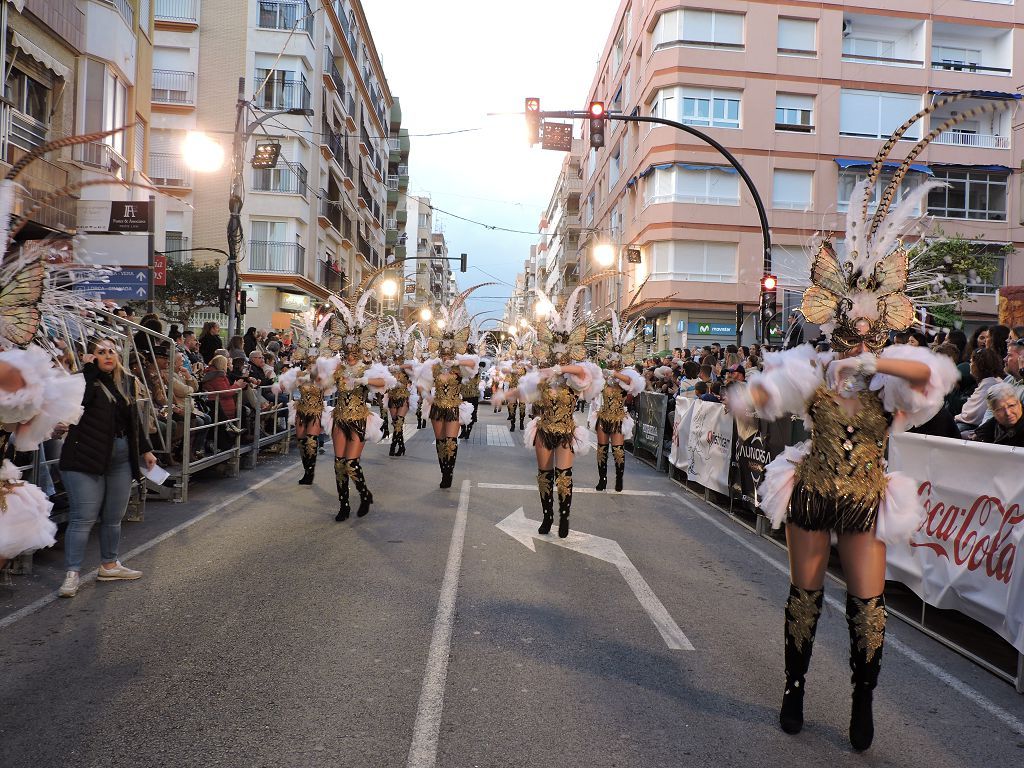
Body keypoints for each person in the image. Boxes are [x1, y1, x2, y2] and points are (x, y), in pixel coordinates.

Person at [731, 100, 974, 751]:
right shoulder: (812, 364)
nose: (858, 330)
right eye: (852, 322)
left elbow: (935, 377)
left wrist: (874, 361)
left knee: (868, 607)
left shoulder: (889, 374)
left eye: (869, 323)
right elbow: (773, 388)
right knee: (804, 595)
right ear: (836, 314)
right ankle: (794, 689)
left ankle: (862, 699)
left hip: (867, 494)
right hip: (813, 488)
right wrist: (751, 394)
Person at [58, 339, 159, 598]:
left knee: (114, 516)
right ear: (91, 356)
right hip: (84, 458)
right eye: (101, 352)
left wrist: (146, 450)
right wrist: (90, 371)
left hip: (121, 458)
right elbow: (79, 405)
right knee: (83, 517)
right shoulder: (81, 380)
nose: (107, 356)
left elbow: (133, 419)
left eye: (111, 351)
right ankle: (72, 573)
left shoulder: (125, 381)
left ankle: (110, 565)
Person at [500, 286, 602, 538]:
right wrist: (505, 395)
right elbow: (525, 390)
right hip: (544, 430)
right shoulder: (542, 378)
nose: (557, 354)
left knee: (563, 476)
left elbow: (584, 372)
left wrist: (559, 370)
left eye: (562, 351)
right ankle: (547, 517)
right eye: (553, 350)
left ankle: (564, 517)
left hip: (567, 430)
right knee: (544, 476)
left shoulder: (573, 377)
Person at [319, 294, 394, 520]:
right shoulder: (338, 368)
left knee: (351, 463)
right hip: (339, 418)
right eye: (347, 352)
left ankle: (364, 494)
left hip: (359, 419)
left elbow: (385, 382)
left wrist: (363, 380)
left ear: (360, 350)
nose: (350, 356)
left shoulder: (366, 368)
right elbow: (325, 386)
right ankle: (344, 506)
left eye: (354, 352)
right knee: (339, 464)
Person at [416, 297, 483, 488]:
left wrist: (457, 362)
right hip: (437, 406)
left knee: (451, 441)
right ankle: (443, 470)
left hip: (454, 406)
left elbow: (474, 363)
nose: (446, 353)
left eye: (449, 350)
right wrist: (426, 395)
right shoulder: (433, 365)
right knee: (440, 442)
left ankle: (449, 473)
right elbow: (421, 385)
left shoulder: (459, 364)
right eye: (443, 350)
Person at [274, 310, 331, 485]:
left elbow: (327, 386)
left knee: (311, 442)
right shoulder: (299, 373)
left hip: (316, 410)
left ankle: (310, 473)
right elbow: (283, 383)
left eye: (314, 359)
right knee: (301, 441)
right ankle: (307, 468)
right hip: (301, 409)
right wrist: (282, 383)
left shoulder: (322, 374)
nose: (311, 361)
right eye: (309, 359)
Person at [591, 312, 645, 492]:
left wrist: (614, 374)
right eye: (611, 358)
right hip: (603, 415)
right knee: (601, 449)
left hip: (618, 417)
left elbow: (631, 383)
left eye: (616, 358)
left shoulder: (626, 375)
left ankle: (619, 478)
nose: (612, 361)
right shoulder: (604, 375)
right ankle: (602, 478)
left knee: (618, 450)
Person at [954, 348, 1004, 432]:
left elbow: (973, 415)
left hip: (974, 428)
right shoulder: (990, 381)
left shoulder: (989, 384)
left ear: (978, 365)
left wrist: (956, 418)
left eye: (971, 362)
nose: (970, 365)